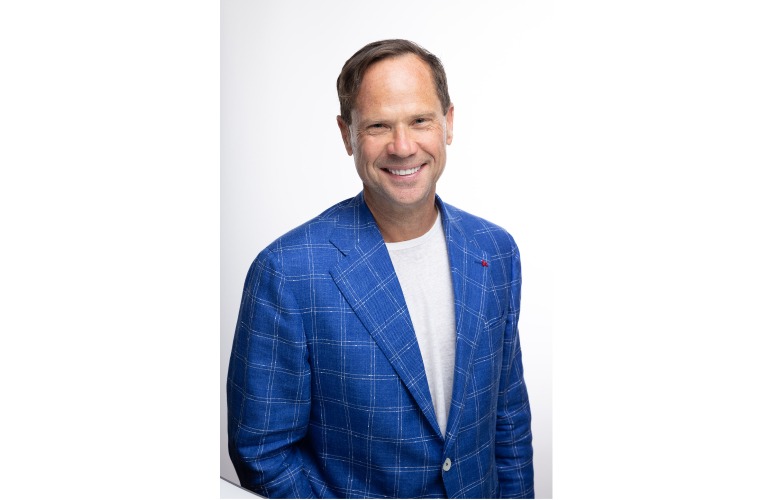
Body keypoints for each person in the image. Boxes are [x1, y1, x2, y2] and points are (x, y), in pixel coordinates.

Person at [227, 39, 534, 499]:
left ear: (448, 123)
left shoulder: (495, 250)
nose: (403, 146)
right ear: (347, 134)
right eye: (378, 125)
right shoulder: (287, 273)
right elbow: (263, 453)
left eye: (420, 120)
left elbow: (508, 421)